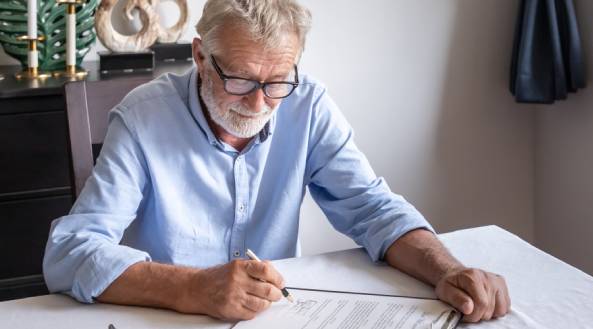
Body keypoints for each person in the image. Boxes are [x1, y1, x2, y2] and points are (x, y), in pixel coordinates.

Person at [43, 0, 510, 323]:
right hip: (164, 319)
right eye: (241, 81)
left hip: (276, 318)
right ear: (201, 56)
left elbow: (374, 210)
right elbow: (69, 252)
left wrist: (448, 271)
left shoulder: (308, 104)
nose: (260, 104)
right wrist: (190, 288)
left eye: (278, 82)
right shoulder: (143, 118)